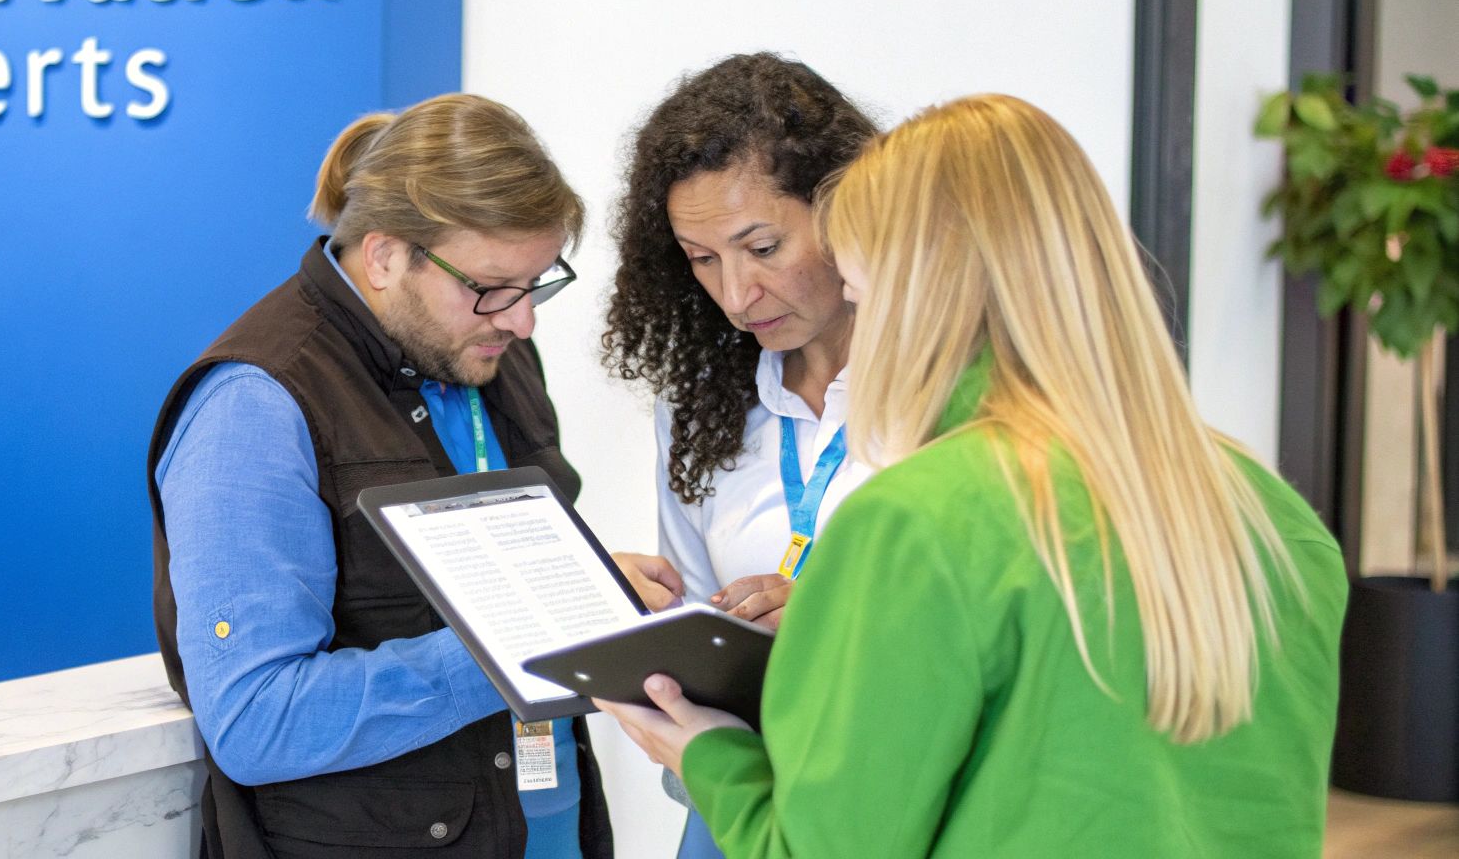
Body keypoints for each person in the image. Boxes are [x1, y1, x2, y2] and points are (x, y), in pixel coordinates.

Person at [596, 94, 1349, 857]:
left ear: (927, 294)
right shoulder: (1267, 507)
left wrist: (709, 756)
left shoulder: (916, 517)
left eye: (859, 292)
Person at [148, 93, 612, 858]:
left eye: (537, 283)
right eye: (491, 287)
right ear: (386, 255)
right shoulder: (255, 403)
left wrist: (603, 601)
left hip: (545, 820)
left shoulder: (491, 348)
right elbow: (256, 721)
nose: (522, 320)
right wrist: (520, 649)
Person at [601, 52, 880, 858]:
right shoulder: (701, 404)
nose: (734, 294)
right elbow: (697, 623)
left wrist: (836, 621)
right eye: (702, 258)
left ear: (849, 213)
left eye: (762, 247)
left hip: (898, 797)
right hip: (738, 804)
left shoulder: (952, 395)